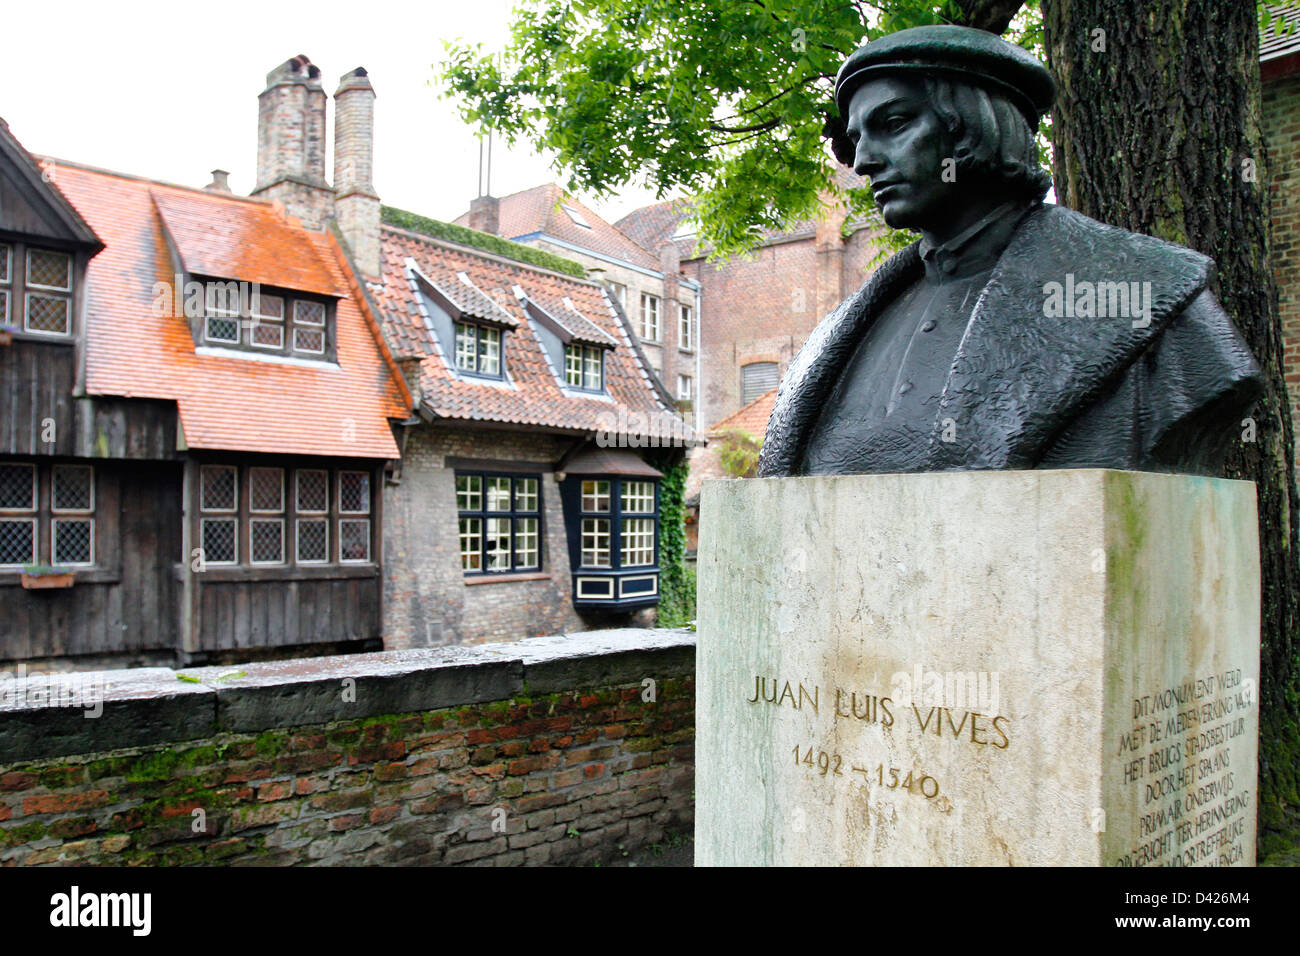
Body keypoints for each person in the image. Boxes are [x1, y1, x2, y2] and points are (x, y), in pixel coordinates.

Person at [758, 25, 1264, 478]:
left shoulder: (1152, 297)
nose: (865, 160)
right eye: (857, 138)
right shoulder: (847, 331)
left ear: (975, 124)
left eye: (894, 124)